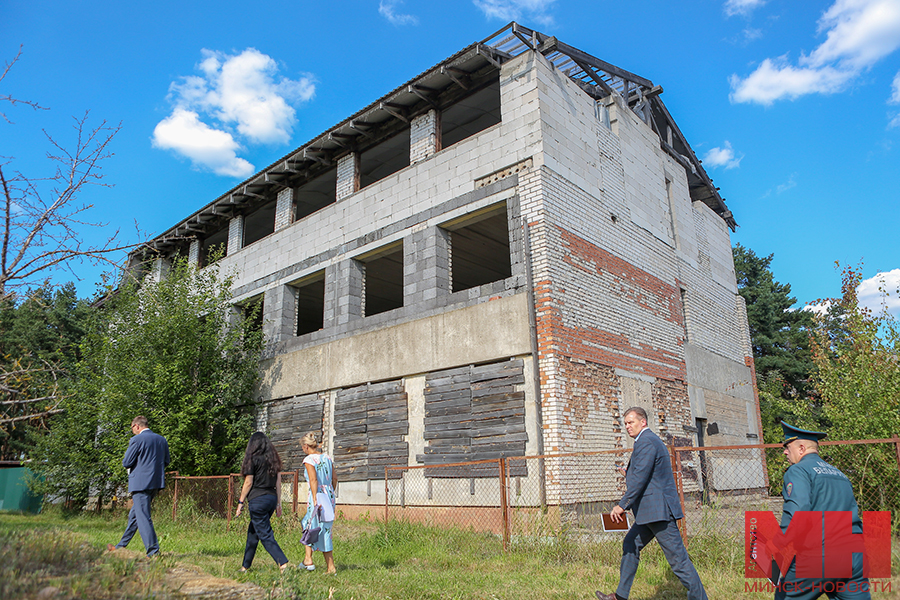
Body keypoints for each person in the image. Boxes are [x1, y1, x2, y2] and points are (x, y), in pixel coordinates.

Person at [596, 407, 708, 600]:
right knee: (631, 543)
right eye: (625, 424)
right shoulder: (645, 441)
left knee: (678, 561)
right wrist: (628, 472)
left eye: (631, 422)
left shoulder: (647, 441)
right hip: (650, 512)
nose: (627, 427)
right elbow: (646, 474)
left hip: (658, 512)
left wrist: (622, 505)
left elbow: (641, 477)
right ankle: (620, 596)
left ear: (643, 422)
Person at [774, 422, 870, 600]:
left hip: (819, 557)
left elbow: (798, 511)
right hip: (855, 556)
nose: (785, 452)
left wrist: (776, 546)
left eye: (787, 447)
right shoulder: (840, 474)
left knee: (785, 595)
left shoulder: (798, 470)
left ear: (801, 448)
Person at [110, 416, 170, 557]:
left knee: (143, 517)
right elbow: (166, 461)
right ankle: (120, 546)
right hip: (155, 483)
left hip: (140, 484)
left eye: (132, 428)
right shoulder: (162, 440)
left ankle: (153, 551)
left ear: (137, 426)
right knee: (135, 516)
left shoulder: (136, 440)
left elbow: (127, 462)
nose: (132, 431)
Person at [235, 432, 290, 573]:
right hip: (271, 499)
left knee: (265, 534)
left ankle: (283, 563)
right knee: (253, 532)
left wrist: (240, 502)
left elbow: (248, 482)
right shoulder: (273, 459)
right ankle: (245, 566)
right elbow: (278, 483)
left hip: (257, 500)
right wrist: (278, 504)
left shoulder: (252, 459)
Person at [299, 431, 337, 574]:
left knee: (314, 526)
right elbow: (335, 478)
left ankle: (330, 567)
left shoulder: (309, 460)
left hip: (317, 496)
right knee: (318, 526)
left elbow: (313, 480)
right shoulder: (327, 457)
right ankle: (308, 559)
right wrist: (331, 493)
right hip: (329, 495)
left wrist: (315, 498)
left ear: (306, 446)